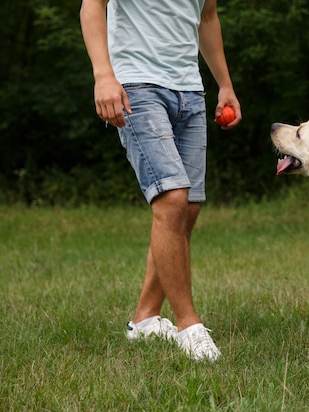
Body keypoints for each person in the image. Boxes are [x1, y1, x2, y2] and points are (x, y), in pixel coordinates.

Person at [80, 0, 241, 361]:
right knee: (171, 200)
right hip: (136, 88)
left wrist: (225, 85)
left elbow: (207, 17)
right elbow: (91, 6)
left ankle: (145, 319)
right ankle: (189, 326)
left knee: (188, 207)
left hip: (190, 93)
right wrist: (104, 75)